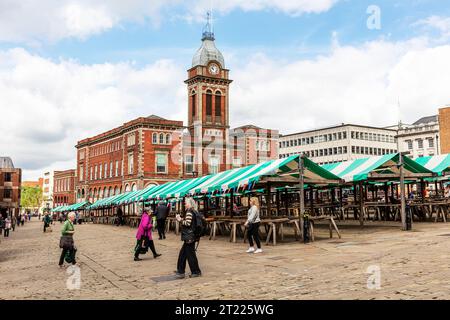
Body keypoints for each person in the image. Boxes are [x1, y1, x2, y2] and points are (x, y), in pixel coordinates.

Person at [175, 197, 201, 278]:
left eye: (186, 203)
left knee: (190, 255)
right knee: (183, 254)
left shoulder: (189, 212)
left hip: (189, 236)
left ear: (189, 204)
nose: (184, 204)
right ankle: (181, 271)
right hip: (191, 236)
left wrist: (179, 219)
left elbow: (188, 223)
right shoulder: (193, 211)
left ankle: (195, 272)